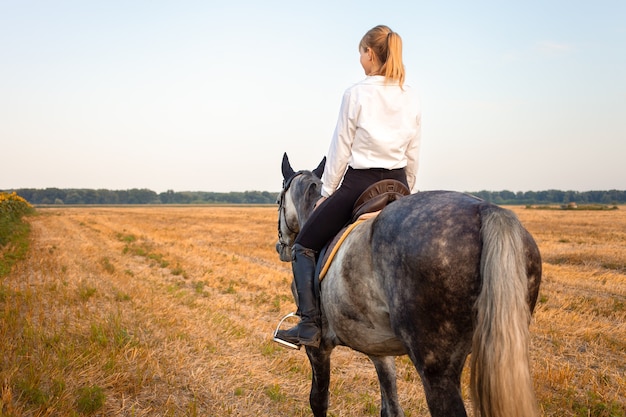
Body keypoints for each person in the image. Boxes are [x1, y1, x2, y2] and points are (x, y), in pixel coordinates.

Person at [274, 25, 422, 348]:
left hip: (360, 185)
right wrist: (406, 191)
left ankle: (309, 325)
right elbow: (413, 154)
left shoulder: (355, 93)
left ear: (370, 54)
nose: (360, 59)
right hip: (398, 186)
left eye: (360, 53)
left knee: (303, 246)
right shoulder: (410, 96)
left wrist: (325, 194)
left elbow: (339, 150)